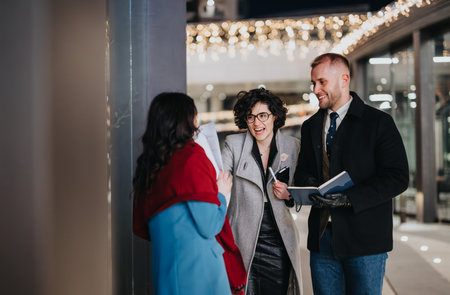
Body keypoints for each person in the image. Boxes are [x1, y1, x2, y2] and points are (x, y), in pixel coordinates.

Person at [293, 53, 409, 294]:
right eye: (313, 83)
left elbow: (398, 177)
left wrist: (349, 198)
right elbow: (303, 171)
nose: (315, 89)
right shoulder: (310, 126)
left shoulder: (378, 122)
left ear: (344, 79)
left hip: (366, 241)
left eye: (322, 82)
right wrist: (310, 184)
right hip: (322, 241)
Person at [132, 92, 246, 295]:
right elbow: (209, 225)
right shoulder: (191, 156)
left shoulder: (150, 165)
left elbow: (142, 227)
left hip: (166, 268)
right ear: (186, 119)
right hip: (199, 270)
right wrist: (221, 193)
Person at [222, 88, 303, 295]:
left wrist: (289, 195)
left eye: (263, 116)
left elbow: (303, 187)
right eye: (251, 117)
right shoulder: (234, 144)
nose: (257, 124)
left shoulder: (292, 146)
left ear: (275, 116)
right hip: (242, 237)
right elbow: (219, 175)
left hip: (278, 240)